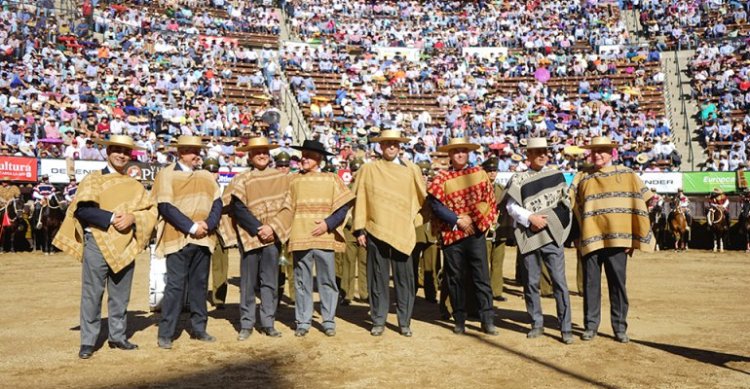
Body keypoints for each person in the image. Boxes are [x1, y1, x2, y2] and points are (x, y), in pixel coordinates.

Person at [52, 135, 158, 359]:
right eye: (117, 150)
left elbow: (150, 211)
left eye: (126, 152)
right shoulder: (94, 178)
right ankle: (88, 341)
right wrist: (112, 218)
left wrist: (132, 218)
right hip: (97, 242)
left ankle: (117, 337)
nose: (122, 155)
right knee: (92, 293)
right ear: (108, 152)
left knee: (120, 294)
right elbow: (83, 210)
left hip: (126, 242)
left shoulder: (135, 185)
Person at [569, 136, 655, 343]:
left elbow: (644, 201)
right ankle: (590, 326)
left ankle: (619, 327)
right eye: (595, 151)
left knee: (618, 285)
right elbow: (572, 208)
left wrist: (633, 237)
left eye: (603, 150)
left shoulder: (627, 174)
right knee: (590, 285)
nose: (598, 154)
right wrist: (576, 237)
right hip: (590, 239)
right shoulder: (581, 177)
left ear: (611, 153)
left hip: (619, 241)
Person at [352, 130, 426, 337]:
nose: (391, 146)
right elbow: (360, 199)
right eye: (387, 143)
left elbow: (422, 198)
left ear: (400, 146)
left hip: (403, 231)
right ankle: (378, 320)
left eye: (394, 143)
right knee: (378, 279)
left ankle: (404, 322)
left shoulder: (411, 169)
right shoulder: (369, 169)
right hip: (376, 231)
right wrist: (360, 229)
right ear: (380, 146)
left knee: (405, 280)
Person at [152, 135, 224, 349]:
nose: (197, 155)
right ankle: (166, 333)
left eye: (199, 151)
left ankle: (199, 328)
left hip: (204, 238)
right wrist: (192, 227)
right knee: (175, 286)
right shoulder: (166, 175)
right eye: (193, 151)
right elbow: (165, 206)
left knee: (199, 285)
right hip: (178, 237)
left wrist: (208, 225)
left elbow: (217, 203)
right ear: (181, 152)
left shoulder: (206, 176)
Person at [504, 138, 574, 344]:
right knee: (531, 282)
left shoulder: (556, 175)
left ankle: (566, 327)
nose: (542, 155)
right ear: (528, 155)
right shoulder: (518, 179)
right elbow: (511, 207)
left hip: (552, 235)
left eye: (544, 151)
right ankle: (536, 323)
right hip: (529, 234)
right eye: (537, 152)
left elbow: (565, 204)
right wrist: (530, 219)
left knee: (560, 282)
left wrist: (550, 222)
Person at [427, 137, 499, 336]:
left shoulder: (479, 173)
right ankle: (459, 318)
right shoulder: (441, 178)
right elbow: (435, 205)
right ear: (450, 154)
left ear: (468, 153)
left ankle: (487, 319)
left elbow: (489, 201)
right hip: (452, 234)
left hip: (475, 233)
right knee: (455, 278)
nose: (460, 154)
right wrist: (458, 219)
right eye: (456, 151)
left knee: (481, 277)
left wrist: (472, 221)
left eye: (463, 151)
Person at [224, 137, 293, 340]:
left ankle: (268, 322)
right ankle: (247, 323)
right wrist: (258, 229)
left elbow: (288, 205)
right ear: (250, 156)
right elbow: (238, 207)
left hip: (273, 236)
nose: (262, 155)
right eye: (257, 152)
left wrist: (271, 227)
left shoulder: (282, 178)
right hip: (251, 237)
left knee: (270, 281)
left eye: (264, 151)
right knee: (247, 282)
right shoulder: (242, 179)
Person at [287, 139, 354, 337]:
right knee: (302, 281)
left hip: (324, 237)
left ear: (318, 158)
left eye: (308, 155)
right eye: (303, 155)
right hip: (300, 236)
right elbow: (285, 207)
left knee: (327, 280)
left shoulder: (332, 179)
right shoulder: (293, 180)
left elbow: (343, 206)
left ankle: (328, 320)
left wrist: (328, 223)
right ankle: (303, 321)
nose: (303, 159)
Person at [202, 157, 231, 311]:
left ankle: (219, 299)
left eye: (215, 171)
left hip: (219, 231)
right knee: (199, 267)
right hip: (202, 232)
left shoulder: (223, 188)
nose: (213, 174)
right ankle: (195, 298)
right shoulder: (197, 187)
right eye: (209, 171)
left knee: (221, 266)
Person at [482, 156, 508, 302]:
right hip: (484, 230)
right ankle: (484, 291)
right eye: (489, 170)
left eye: (494, 170)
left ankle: (496, 291)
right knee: (484, 262)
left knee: (498, 261)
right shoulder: (480, 188)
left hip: (499, 229)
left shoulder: (501, 189)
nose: (492, 173)